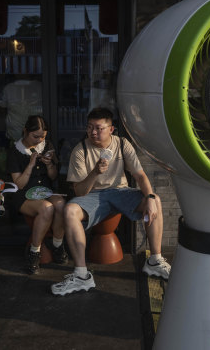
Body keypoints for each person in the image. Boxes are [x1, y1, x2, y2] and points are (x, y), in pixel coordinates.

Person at [51, 107, 171, 296]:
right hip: (93, 195)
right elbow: (80, 191)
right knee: (69, 211)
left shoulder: (122, 144)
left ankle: (154, 261)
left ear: (111, 129)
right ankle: (81, 275)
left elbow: (140, 175)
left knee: (155, 199)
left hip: (120, 191)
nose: (93, 132)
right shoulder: (80, 150)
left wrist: (148, 198)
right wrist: (95, 172)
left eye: (99, 128)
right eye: (90, 127)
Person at [6, 115, 67, 274]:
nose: (40, 140)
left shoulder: (47, 146)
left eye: (43, 136)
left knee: (60, 204)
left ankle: (58, 244)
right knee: (47, 208)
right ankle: (34, 252)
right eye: (35, 136)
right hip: (24, 195)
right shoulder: (15, 151)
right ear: (25, 131)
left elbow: (53, 177)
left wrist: (49, 165)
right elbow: (19, 184)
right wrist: (31, 164)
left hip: (45, 190)